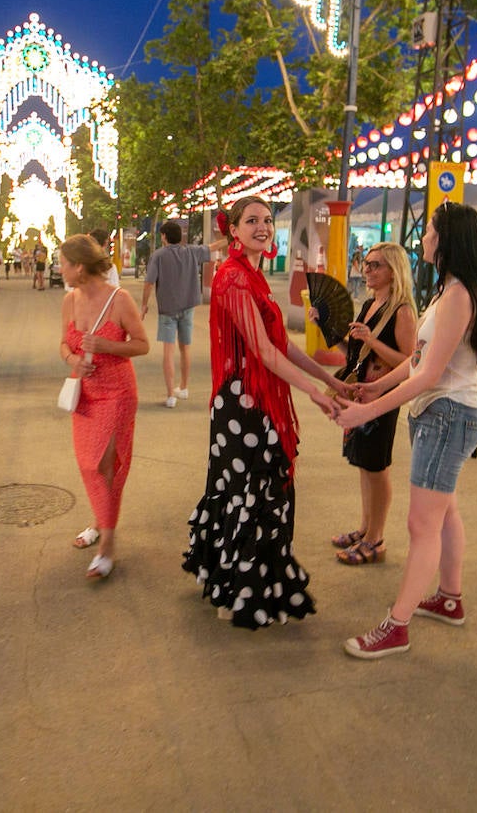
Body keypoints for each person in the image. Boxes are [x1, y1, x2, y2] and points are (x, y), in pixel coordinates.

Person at [333, 203, 477, 659]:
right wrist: (375, 387)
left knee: (421, 524)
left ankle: (396, 626)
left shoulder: (459, 295)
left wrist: (367, 413)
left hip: (447, 416)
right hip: (440, 414)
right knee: (444, 513)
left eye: (428, 232)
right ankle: (449, 597)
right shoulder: (451, 292)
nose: (423, 238)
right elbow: (417, 361)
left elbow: (427, 376)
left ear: (446, 240)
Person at [181, 196, 347, 629]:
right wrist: (313, 390)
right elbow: (261, 351)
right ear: (232, 230)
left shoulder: (253, 277)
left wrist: (330, 380)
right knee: (248, 494)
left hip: (262, 400)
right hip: (243, 404)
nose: (262, 226)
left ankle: (237, 584)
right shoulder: (233, 279)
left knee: (259, 492)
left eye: (268, 220)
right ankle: (238, 591)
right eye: (251, 220)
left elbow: (283, 346)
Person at [59, 234, 149, 578]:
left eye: (63, 264)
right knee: (87, 464)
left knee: (105, 465)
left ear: (79, 267)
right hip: (85, 394)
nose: (60, 269)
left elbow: (142, 346)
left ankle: (107, 545)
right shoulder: (69, 300)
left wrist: (108, 346)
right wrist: (72, 358)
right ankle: (100, 520)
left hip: (117, 393)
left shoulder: (119, 299)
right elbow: (62, 345)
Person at [330, 241, 418, 567]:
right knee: (363, 464)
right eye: (366, 263)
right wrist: (328, 329)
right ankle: (365, 528)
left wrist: (371, 339)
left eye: (375, 265)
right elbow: (355, 354)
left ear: (394, 271)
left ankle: (376, 538)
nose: (367, 270)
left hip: (382, 398)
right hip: (360, 393)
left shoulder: (402, 310)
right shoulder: (368, 304)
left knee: (377, 468)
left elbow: (410, 362)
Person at [140, 221, 212, 408]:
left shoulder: (158, 256)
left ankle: (171, 395)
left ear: (163, 236)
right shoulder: (190, 251)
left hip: (168, 310)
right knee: (185, 348)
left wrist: (143, 305)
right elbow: (211, 248)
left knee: (168, 351)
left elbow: (149, 282)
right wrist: (231, 237)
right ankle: (184, 387)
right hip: (188, 308)